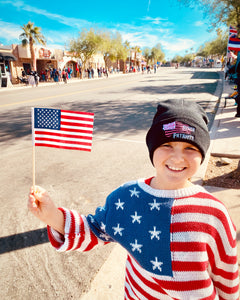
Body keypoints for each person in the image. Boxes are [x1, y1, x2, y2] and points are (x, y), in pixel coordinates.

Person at [28, 99, 239, 299]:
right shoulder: (127, 197)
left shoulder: (214, 212)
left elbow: (227, 277)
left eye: (190, 148)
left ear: (202, 153)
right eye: (166, 145)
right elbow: (94, 230)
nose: (177, 157)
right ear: (152, 148)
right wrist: (53, 216)